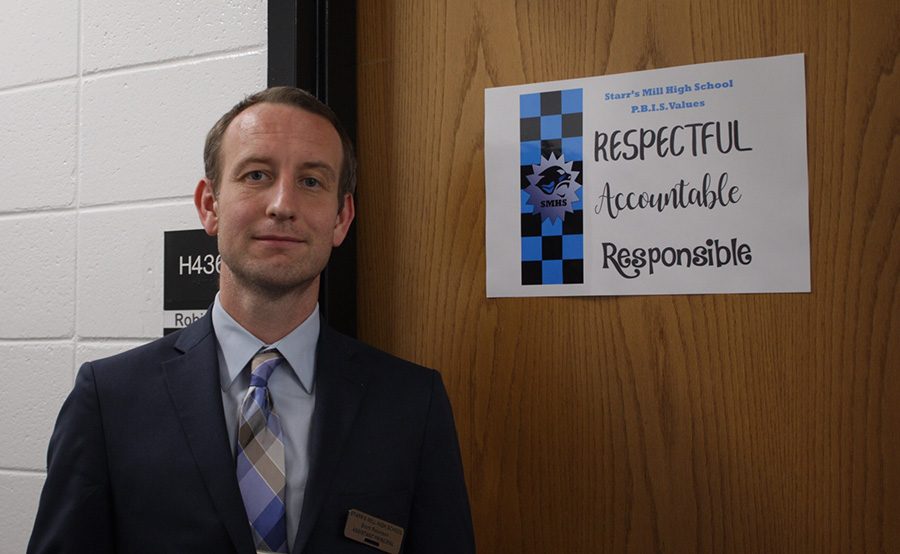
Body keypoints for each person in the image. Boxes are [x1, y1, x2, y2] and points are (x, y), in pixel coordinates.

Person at [27, 87, 475, 554]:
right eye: (257, 175)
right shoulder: (108, 400)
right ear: (210, 205)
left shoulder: (411, 404)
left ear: (341, 218)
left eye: (311, 182)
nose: (282, 204)